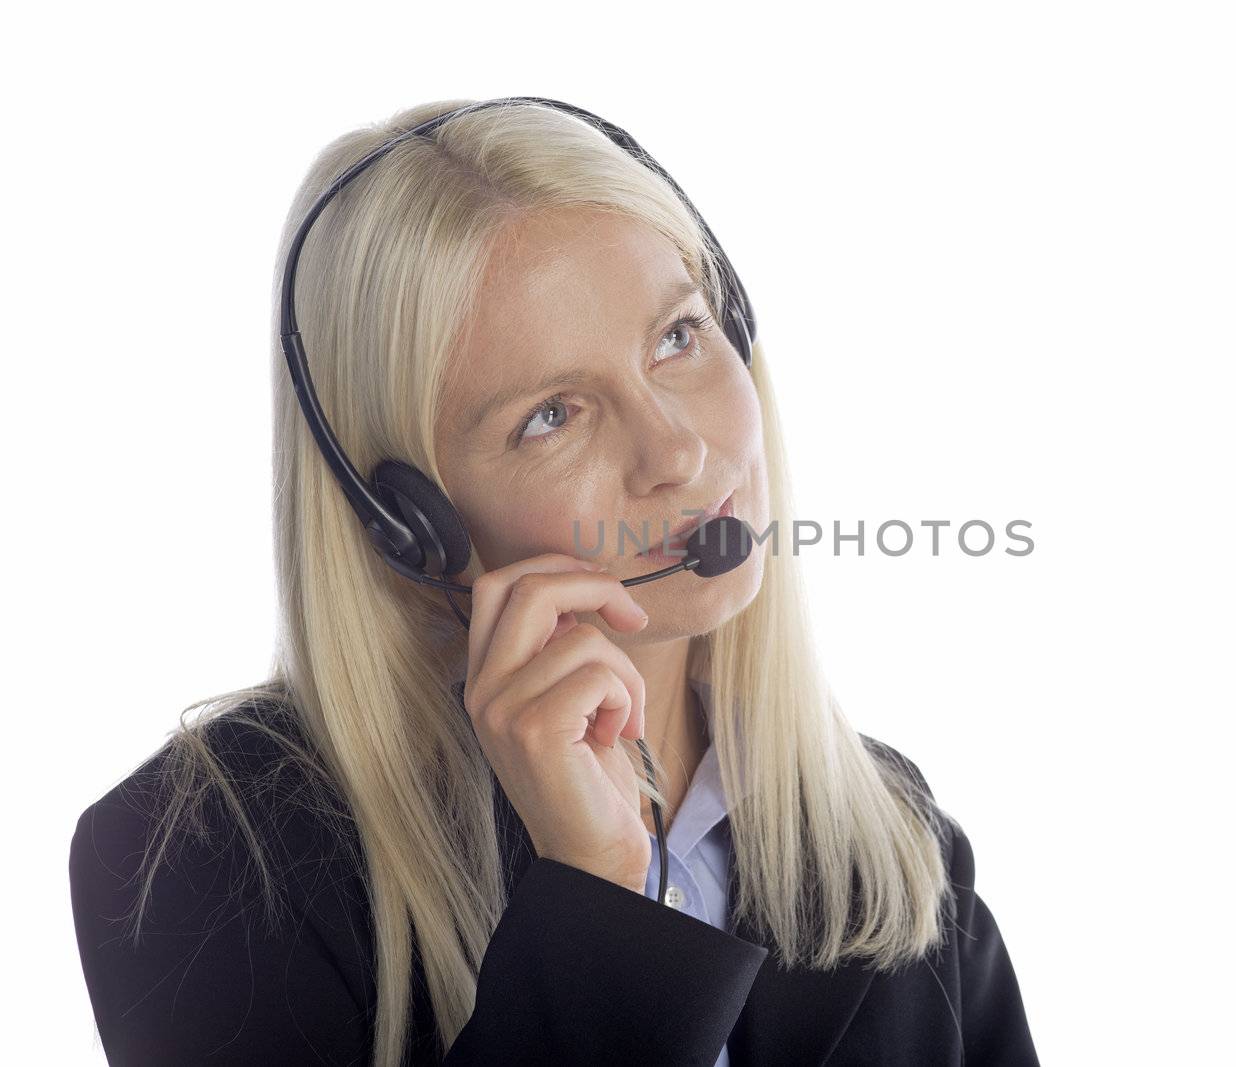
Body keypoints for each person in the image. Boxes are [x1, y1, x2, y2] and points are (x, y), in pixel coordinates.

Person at [67, 97, 1040, 1066]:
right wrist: (597, 898)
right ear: (412, 523)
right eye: (553, 414)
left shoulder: (892, 839)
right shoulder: (199, 852)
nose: (678, 450)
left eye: (677, 336)